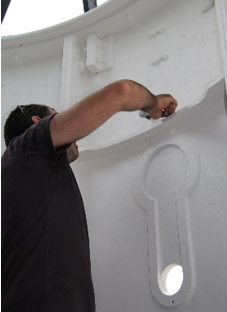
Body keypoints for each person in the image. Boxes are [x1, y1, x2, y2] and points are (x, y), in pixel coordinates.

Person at [1, 79, 178, 311]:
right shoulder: (28, 146)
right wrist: (153, 103)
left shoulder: (21, 174)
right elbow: (122, 91)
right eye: (57, 117)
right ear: (37, 123)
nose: (74, 137)